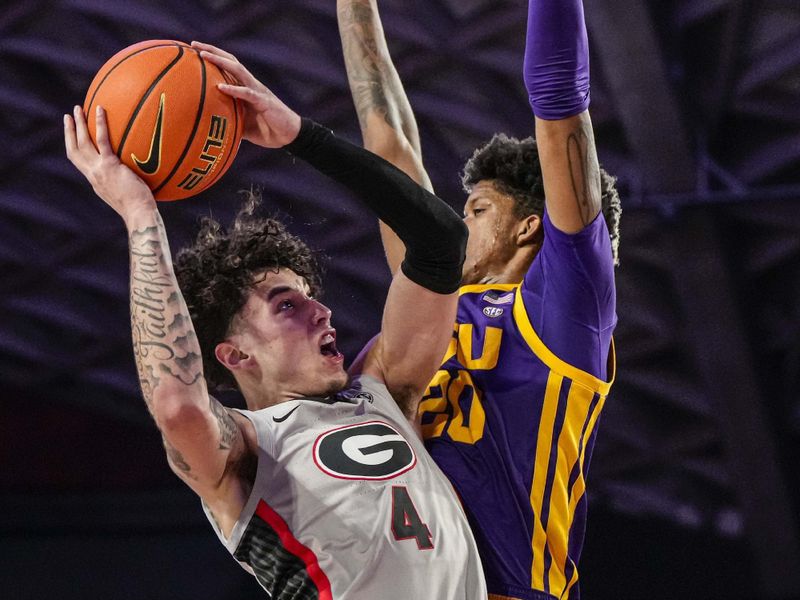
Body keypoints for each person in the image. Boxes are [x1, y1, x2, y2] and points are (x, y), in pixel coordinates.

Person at [63, 41, 486, 600]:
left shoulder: (384, 392)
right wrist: (140, 214)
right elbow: (177, 405)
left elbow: (442, 242)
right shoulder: (244, 450)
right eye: (287, 305)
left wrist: (300, 137)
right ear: (236, 355)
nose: (321, 310)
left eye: (309, 297)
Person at [337, 1, 621, 599]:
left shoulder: (565, 312)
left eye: (478, 210)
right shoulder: (435, 302)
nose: (456, 225)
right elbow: (390, 148)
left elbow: (558, 100)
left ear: (529, 227)